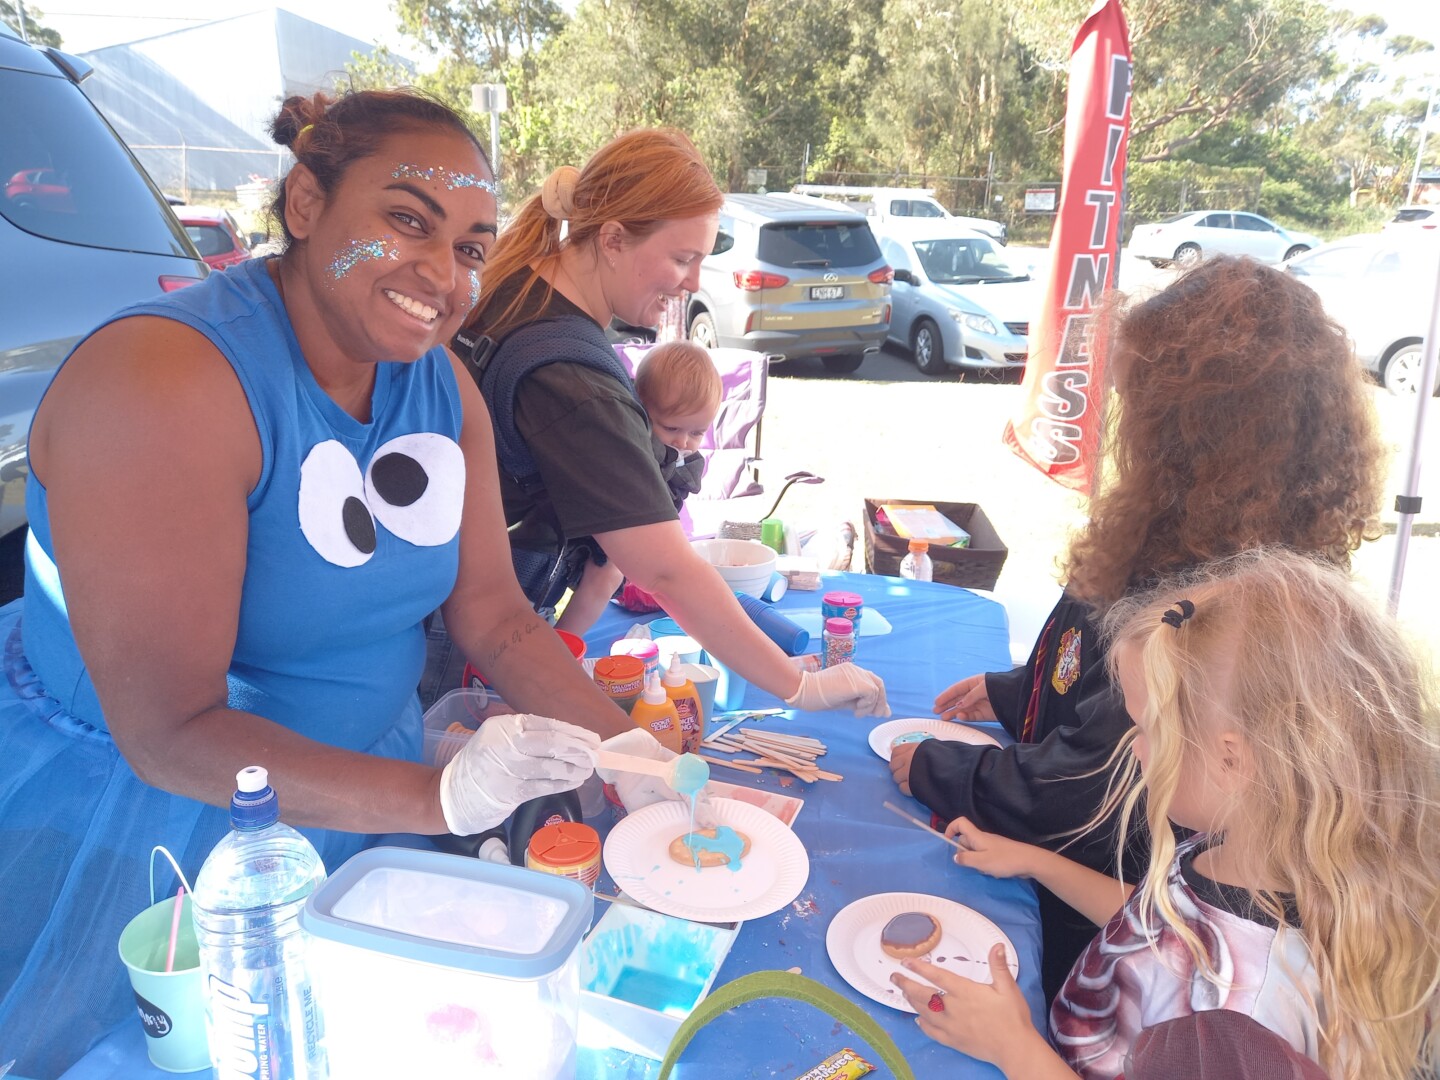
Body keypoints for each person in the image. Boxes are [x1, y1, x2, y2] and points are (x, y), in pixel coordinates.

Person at [0, 88, 643, 1075]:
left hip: (366, 800)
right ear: (306, 204)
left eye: (470, 246)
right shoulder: (164, 380)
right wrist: (444, 799)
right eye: (406, 222)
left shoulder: (443, 384)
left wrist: (636, 764)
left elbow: (497, 619)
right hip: (168, 831)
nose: (443, 274)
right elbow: (170, 733)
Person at [889, 255, 1385, 1001]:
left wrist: (940, 769)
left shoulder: (1223, 600)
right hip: (1125, 904)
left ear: (1196, 427)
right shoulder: (1182, 525)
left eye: (1136, 403)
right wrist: (1014, 690)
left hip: (1121, 945)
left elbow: (1099, 775)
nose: (1123, 424)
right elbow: (1089, 669)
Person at [891, 549, 1440, 1080]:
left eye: (1147, 728)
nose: (1133, 747)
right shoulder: (1238, 847)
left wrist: (1013, 1047)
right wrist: (1038, 863)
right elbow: (1160, 920)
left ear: (1232, 760)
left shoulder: (1241, 1015)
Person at [454, 127, 888, 717]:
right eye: (682, 258)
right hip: (454, 646)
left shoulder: (515, 288)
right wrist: (797, 685)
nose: (693, 283)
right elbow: (665, 568)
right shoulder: (571, 380)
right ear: (612, 239)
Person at [556, 339, 722, 634]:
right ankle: (563, 645)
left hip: (641, 529)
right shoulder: (640, 444)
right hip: (600, 531)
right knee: (604, 577)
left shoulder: (685, 459)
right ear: (640, 412)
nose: (683, 442)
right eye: (671, 428)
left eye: (697, 432)